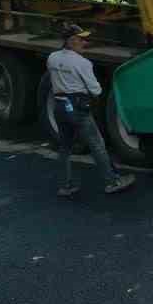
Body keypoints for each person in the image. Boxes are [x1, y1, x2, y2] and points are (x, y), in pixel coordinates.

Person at [48, 24, 135, 198]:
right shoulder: (83, 63)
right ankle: (112, 182)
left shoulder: (52, 58)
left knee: (65, 147)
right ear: (71, 41)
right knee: (97, 144)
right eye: (81, 39)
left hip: (60, 106)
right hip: (78, 107)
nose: (84, 42)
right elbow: (96, 91)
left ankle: (66, 186)